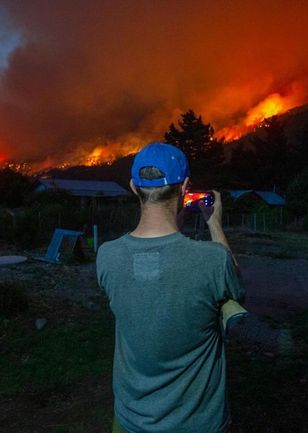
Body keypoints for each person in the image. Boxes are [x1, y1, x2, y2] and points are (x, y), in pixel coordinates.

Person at [97, 142, 244, 433]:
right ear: (185, 187)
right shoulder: (213, 260)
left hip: (130, 422)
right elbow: (236, 286)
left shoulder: (107, 255)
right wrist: (214, 223)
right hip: (198, 425)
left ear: (132, 187)